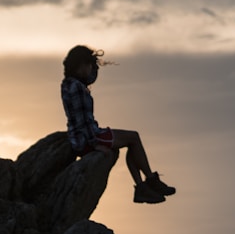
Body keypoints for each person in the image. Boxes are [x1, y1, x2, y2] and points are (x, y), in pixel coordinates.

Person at [60, 44, 175, 204]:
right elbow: (83, 121)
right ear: (80, 65)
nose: (91, 69)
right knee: (133, 138)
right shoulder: (77, 88)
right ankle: (148, 182)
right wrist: (94, 144)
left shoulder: (68, 84)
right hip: (88, 138)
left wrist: (95, 69)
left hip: (82, 137)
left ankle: (143, 186)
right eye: (88, 65)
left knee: (132, 140)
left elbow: (88, 83)